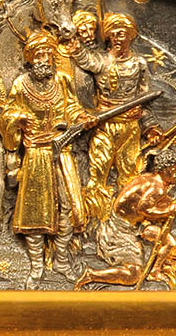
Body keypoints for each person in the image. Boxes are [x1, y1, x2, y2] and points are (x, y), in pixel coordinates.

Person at [0, 30, 96, 289]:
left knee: (68, 208)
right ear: (30, 58)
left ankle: (61, 260)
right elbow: (7, 115)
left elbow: (72, 107)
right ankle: (36, 267)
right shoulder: (21, 85)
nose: (44, 59)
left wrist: (82, 117)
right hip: (36, 155)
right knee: (35, 213)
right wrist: (18, 118)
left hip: (61, 152)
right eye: (39, 55)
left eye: (48, 54)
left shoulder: (62, 81)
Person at [68, 12, 152, 210]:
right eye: (112, 35)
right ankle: (97, 212)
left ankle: (125, 213)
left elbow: (145, 99)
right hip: (105, 123)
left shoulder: (139, 64)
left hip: (130, 127)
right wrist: (76, 48)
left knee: (129, 171)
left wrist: (151, 127)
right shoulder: (102, 60)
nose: (117, 39)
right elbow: (86, 60)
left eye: (121, 34)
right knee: (98, 168)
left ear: (130, 36)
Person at [74, 152, 176, 289]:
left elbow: (149, 202)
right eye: (172, 171)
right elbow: (144, 209)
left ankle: (154, 272)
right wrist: (169, 210)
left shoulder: (148, 178)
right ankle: (92, 274)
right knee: (133, 275)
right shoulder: (158, 187)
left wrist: (169, 204)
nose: (175, 176)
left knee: (169, 242)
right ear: (162, 170)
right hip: (120, 231)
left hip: (135, 225)